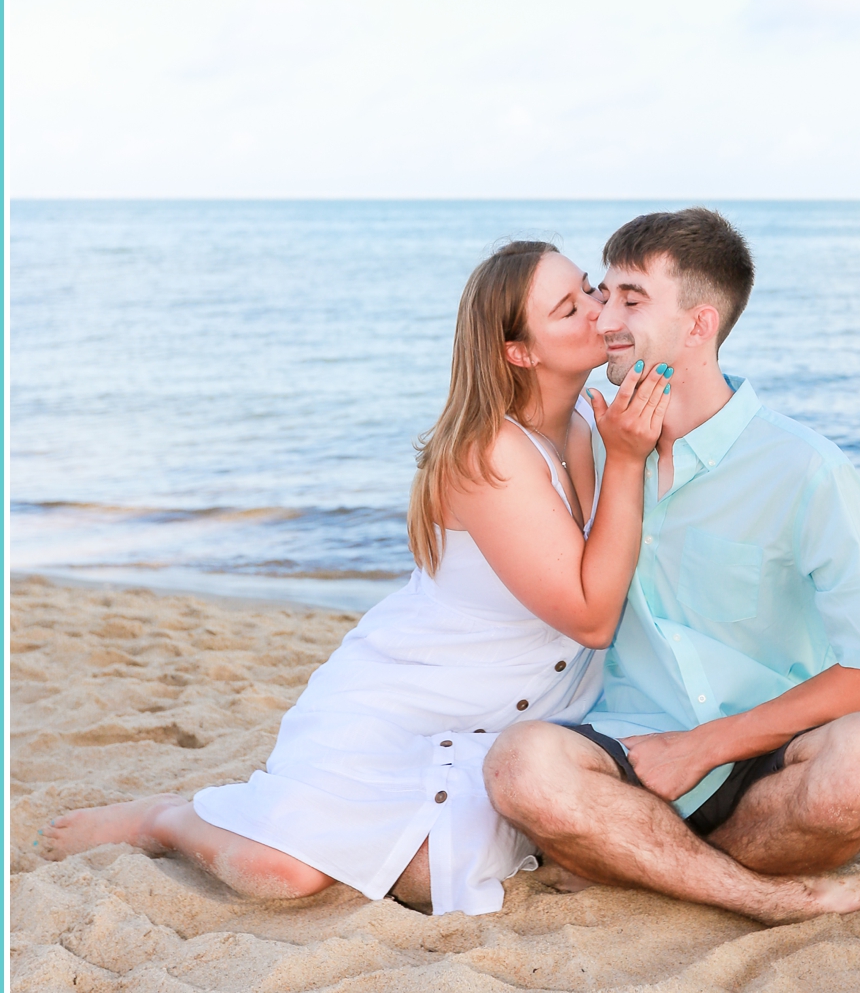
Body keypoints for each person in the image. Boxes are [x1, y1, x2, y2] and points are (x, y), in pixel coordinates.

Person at [34, 241, 670, 917]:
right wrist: (627, 462)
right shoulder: (489, 451)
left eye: (593, 290)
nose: (600, 311)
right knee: (282, 874)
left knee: (432, 875)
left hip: (506, 725)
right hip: (402, 708)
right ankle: (163, 819)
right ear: (520, 351)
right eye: (570, 307)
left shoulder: (581, 428)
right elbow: (591, 617)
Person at [485, 208, 860, 925]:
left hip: (766, 754)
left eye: (631, 299)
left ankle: (641, 861)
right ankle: (762, 898)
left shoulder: (807, 469)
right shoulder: (591, 450)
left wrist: (702, 747)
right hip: (625, 748)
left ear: (699, 326)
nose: (604, 315)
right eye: (602, 292)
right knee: (518, 765)